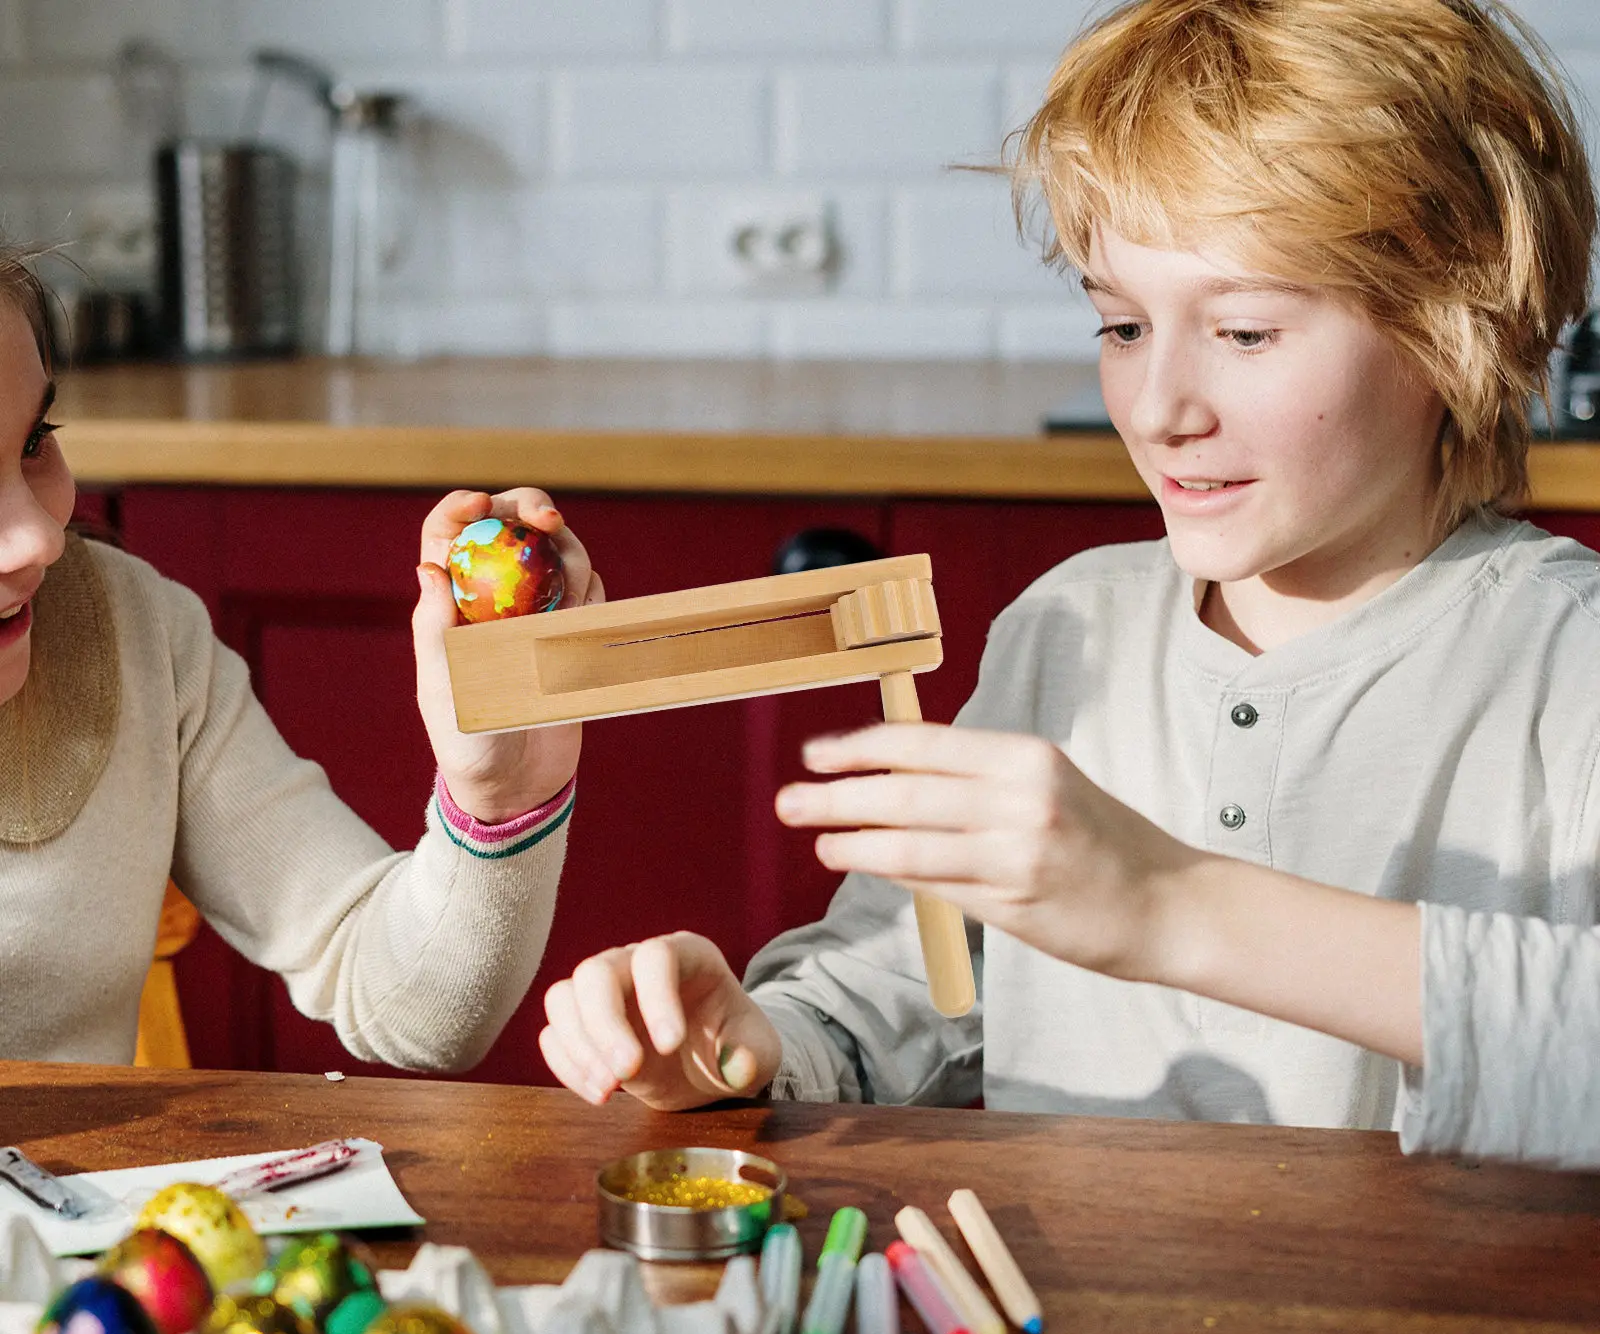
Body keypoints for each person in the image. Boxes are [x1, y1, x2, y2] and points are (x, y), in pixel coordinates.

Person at [536, 0, 1600, 1167]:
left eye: (1244, 333)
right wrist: (760, 1039)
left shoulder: (1564, 663)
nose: (1159, 409)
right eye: (1123, 325)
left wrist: (1166, 903)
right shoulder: (1069, 626)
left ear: (1455, 322)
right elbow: (925, 988)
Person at [0, 247, 597, 1070]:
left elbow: (406, 1003)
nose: (38, 537)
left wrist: (497, 800)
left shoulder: (133, 633)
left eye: (35, 440)